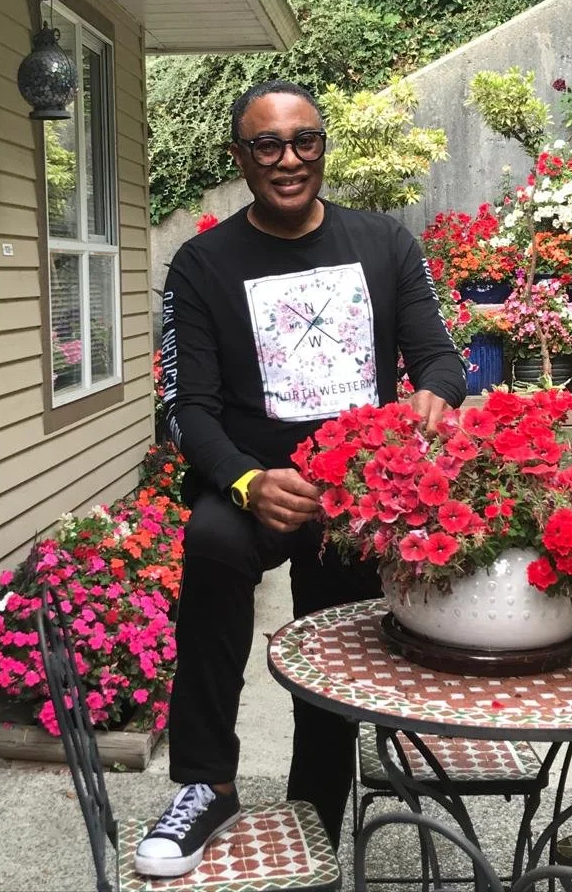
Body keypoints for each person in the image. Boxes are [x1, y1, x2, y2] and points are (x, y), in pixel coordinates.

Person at [134, 79, 467, 878]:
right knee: (211, 544)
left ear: (322, 145)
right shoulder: (202, 265)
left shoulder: (384, 244)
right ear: (240, 159)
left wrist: (435, 393)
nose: (289, 160)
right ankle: (204, 785)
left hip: (356, 491)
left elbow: (440, 357)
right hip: (250, 486)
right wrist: (247, 482)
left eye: (304, 140)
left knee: (335, 646)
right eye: (267, 145)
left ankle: (314, 810)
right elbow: (186, 407)